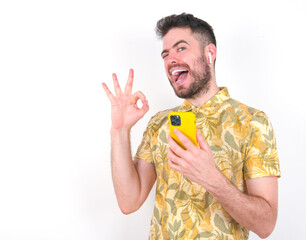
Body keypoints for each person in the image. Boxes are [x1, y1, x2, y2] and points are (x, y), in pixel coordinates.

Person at [102, 13, 281, 240]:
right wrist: (119, 131)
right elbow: (129, 201)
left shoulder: (253, 122)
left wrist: (213, 179)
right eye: (165, 54)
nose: (170, 60)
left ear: (210, 53)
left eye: (181, 49)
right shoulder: (159, 123)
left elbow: (266, 225)